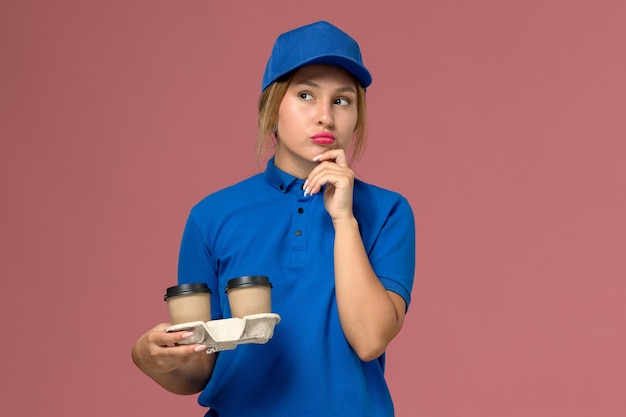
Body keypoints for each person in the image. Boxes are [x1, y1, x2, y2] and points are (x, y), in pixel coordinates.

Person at [131, 20, 415, 416]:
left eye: (342, 100)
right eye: (305, 95)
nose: (325, 117)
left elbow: (369, 340)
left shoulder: (387, 212)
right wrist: (150, 359)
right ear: (272, 105)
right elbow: (199, 362)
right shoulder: (212, 216)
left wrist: (344, 220)